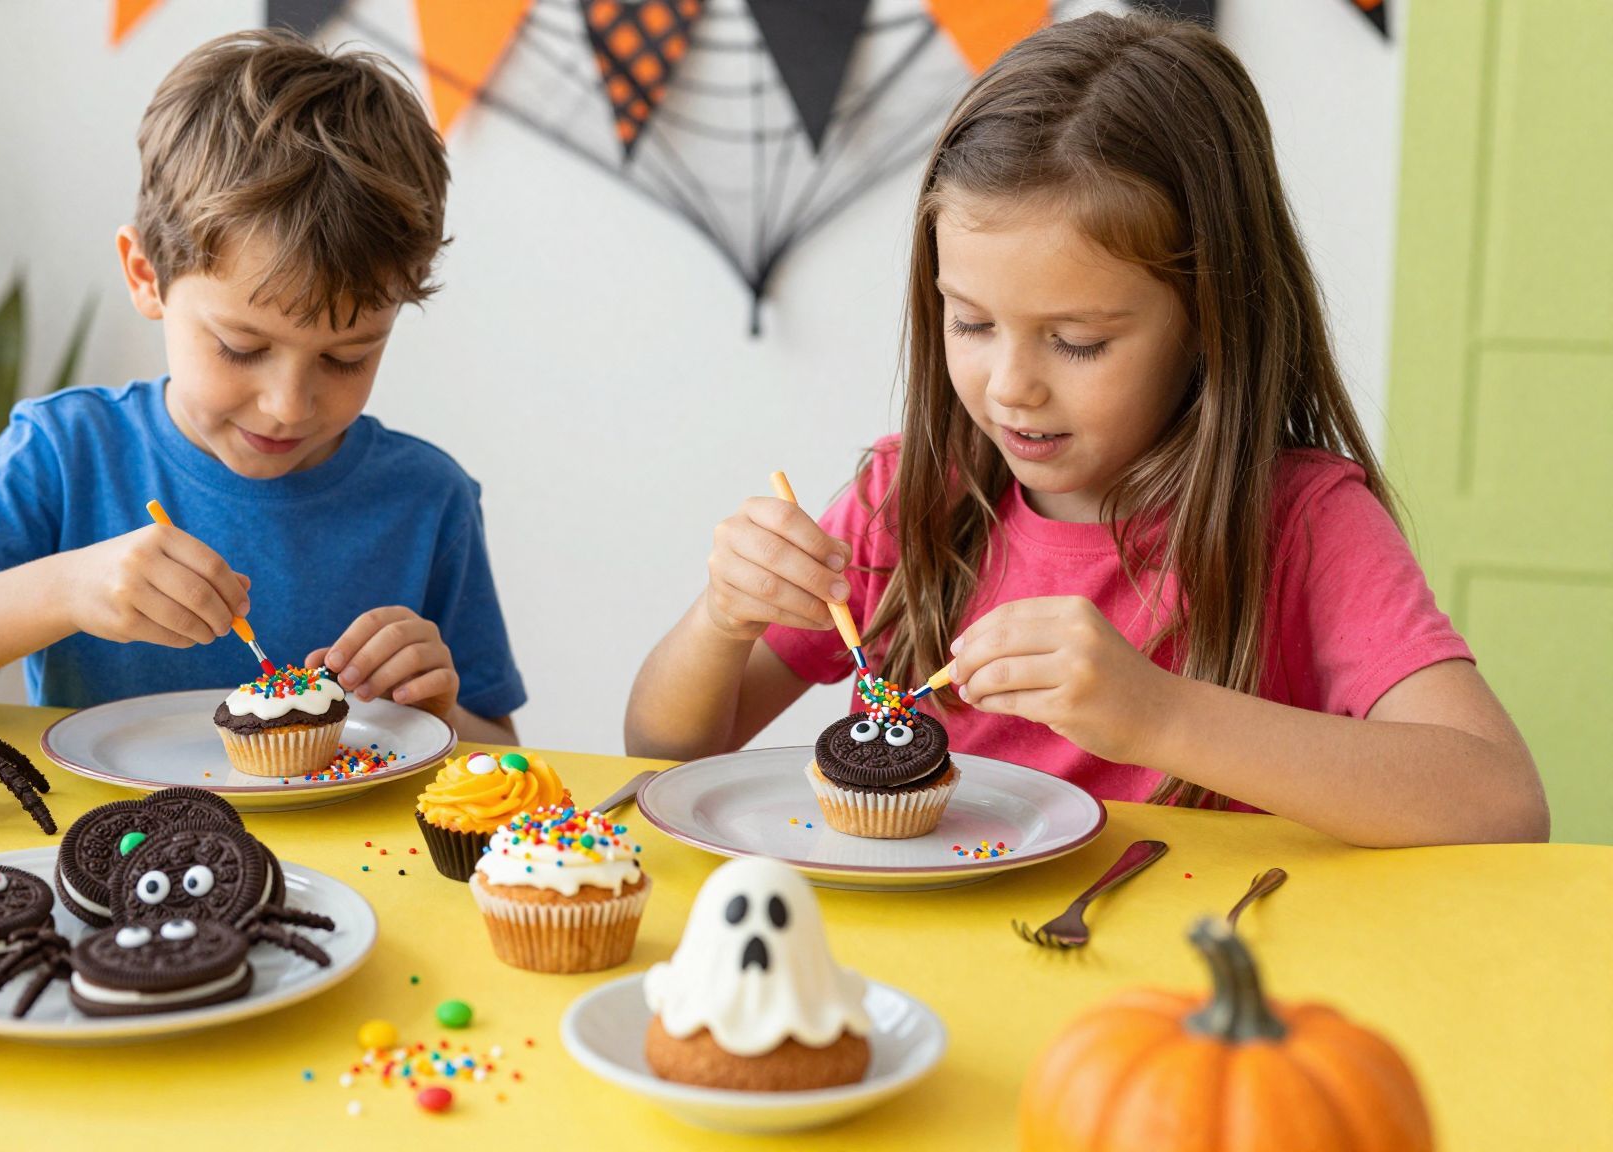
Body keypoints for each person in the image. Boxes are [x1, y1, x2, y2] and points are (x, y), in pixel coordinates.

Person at [625, 12, 1544, 847]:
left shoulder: (1302, 522)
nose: (1013, 387)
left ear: (1208, 318)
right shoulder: (909, 500)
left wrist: (1160, 716)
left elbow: (1499, 804)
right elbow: (663, 751)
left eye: (1076, 342)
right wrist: (721, 616)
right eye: (972, 324)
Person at [0, 30, 524, 743]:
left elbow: (502, 750)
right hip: (100, 851)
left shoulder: (427, 501)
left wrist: (437, 711)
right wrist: (67, 589)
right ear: (146, 275)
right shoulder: (66, 456)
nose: (288, 405)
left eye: (347, 357)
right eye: (241, 347)